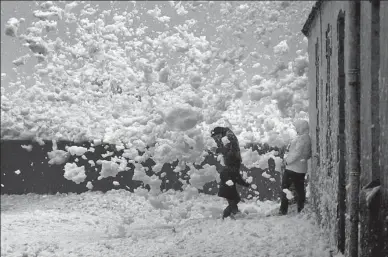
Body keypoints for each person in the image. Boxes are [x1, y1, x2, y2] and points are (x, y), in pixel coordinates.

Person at [211, 126, 250, 219]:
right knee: (232, 193)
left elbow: (230, 151)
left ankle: (231, 212)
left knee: (232, 194)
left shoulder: (228, 136)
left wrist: (218, 150)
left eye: (216, 137)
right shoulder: (227, 135)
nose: (216, 140)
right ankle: (232, 212)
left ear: (219, 134)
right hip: (231, 167)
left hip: (232, 165)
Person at [279, 120, 312, 215]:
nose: (296, 129)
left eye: (297, 127)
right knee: (300, 189)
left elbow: (297, 153)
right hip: (300, 168)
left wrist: (286, 161)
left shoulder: (302, 139)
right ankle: (300, 210)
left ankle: (283, 210)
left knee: (285, 188)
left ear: (302, 128)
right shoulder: (306, 138)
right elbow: (308, 154)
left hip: (293, 168)